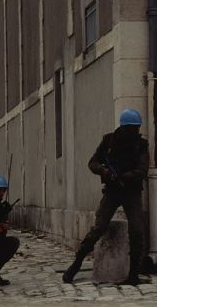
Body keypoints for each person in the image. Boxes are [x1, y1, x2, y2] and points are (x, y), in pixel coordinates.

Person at [63, 109, 149, 285]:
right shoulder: (109, 141)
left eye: (136, 128)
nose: (133, 132)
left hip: (131, 191)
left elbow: (142, 170)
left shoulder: (141, 145)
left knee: (137, 230)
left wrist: (125, 176)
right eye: (131, 128)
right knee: (99, 227)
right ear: (123, 128)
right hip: (112, 191)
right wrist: (104, 171)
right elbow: (93, 162)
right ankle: (77, 263)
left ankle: (133, 274)